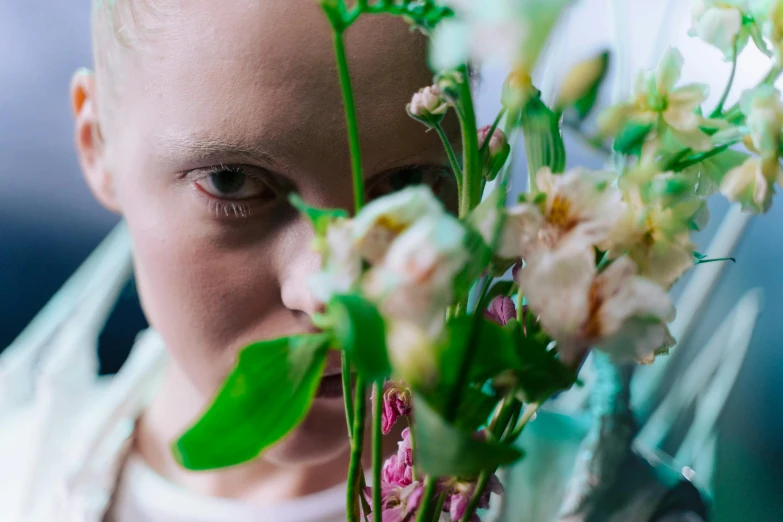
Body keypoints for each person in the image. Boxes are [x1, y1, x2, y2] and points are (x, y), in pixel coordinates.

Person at [0, 1, 707, 521]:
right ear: (96, 144)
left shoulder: (612, 506)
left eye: (406, 189)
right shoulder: (16, 477)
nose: (331, 290)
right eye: (233, 182)